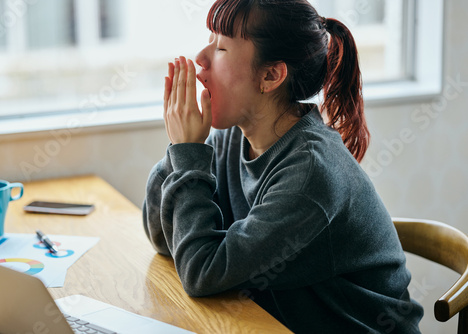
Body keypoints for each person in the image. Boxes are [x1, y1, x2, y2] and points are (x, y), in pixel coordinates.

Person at [142, 0, 423, 332]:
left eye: (220, 47)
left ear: (271, 75)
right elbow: (164, 237)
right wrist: (181, 148)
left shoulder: (310, 174)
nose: (200, 59)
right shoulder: (233, 137)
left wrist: (188, 151)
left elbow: (202, 273)